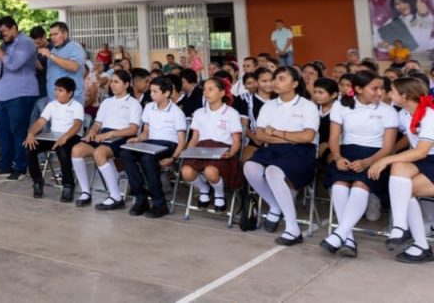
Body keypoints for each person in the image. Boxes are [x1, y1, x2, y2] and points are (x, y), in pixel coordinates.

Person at [320, 70, 398, 257]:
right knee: (339, 185)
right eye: (374, 88)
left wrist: (368, 162)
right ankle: (348, 238)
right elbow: (334, 138)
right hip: (347, 153)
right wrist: (338, 157)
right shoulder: (341, 106)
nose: (380, 93)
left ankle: (339, 234)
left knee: (359, 185)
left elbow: (388, 147)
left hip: (376, 156)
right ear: (359, 89)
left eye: (381, 88)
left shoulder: (388, 111)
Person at [242, 66, 320, 246]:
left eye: (281, 79)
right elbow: (260, 135)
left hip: (301, 152)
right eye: (275, 79)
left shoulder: (307, 106)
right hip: (273, 149)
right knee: (250, 167)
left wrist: (277, 132)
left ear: (294, 84)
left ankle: (293, 229)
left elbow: (307, 137)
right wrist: (290, 138)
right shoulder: (269, 105)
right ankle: (275, 205)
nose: (275, 82)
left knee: (273, 171)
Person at [368, 76, 434, 262]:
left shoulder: (430, 115)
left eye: (393, 91)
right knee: (400, 170)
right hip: (426, 159)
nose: (389, 94)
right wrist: (393, 151)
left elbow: (420, 151)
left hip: (426, 156)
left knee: (405, 186)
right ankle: (401, 228)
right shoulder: (405, 113)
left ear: (404, 96)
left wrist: (385, 159)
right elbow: (408, 134)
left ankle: (417, 243)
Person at [70, 70, 142, 210]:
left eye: (116, 82)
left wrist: (111, 134)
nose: (112, 85)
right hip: (103, 135)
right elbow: (98, 123)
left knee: (99, 153)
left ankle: (116, 197)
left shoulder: (134, 104)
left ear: (126, 84)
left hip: (122, 137)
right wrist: (92, 131)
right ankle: (85, 192)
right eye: (111, 82)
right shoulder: (107, 102)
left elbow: (133, 129)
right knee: (77, 149)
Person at [119, 76, 187, 218]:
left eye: (155, 92)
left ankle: (159, 203)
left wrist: (173, 158)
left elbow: (182, 141)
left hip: (169, 144)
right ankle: (140, 196)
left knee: (147, 158)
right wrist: (137, 139)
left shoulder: (176, 112)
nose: (151, 94)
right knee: (125, 153)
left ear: (166, 93)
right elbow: (145, 133)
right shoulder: (149, 107)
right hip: (150, 143)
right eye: (151, 91)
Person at [0, 16, 38, 180]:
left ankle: (20, 168)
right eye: (0, 32)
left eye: (4, 31)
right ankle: (5, 166)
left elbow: (13, 64)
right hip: (4, 95)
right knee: (4, 132)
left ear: (14, 28)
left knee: (18, 131)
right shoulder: (5, 44)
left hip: (21, 93)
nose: (3, 35)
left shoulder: (26, 43)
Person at [182, 76, 243, 212]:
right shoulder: (199, 113)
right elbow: (194, 138)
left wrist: (231, 153)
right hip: (201, 149)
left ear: (222, 93)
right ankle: (204, 188)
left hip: (222, 150)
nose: (206, 92)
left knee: (210, 171)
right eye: (204, 89)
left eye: (211, 89)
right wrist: (189, 151)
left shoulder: (231, 113)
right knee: (186, 172)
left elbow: (236, 140)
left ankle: (219, 194)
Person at [23, 76, 84, 201]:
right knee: (29, 147)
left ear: (70, 93)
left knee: (63, 150)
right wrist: (31, 134)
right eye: (56, 89)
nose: (56, 93)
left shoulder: (77, 106)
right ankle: (37, 181)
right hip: (53, 137)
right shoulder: (51, 105)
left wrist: (65, 137)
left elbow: (77, 125)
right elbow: (40, 121)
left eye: (60, 90)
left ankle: (68, 185)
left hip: (71, 136)